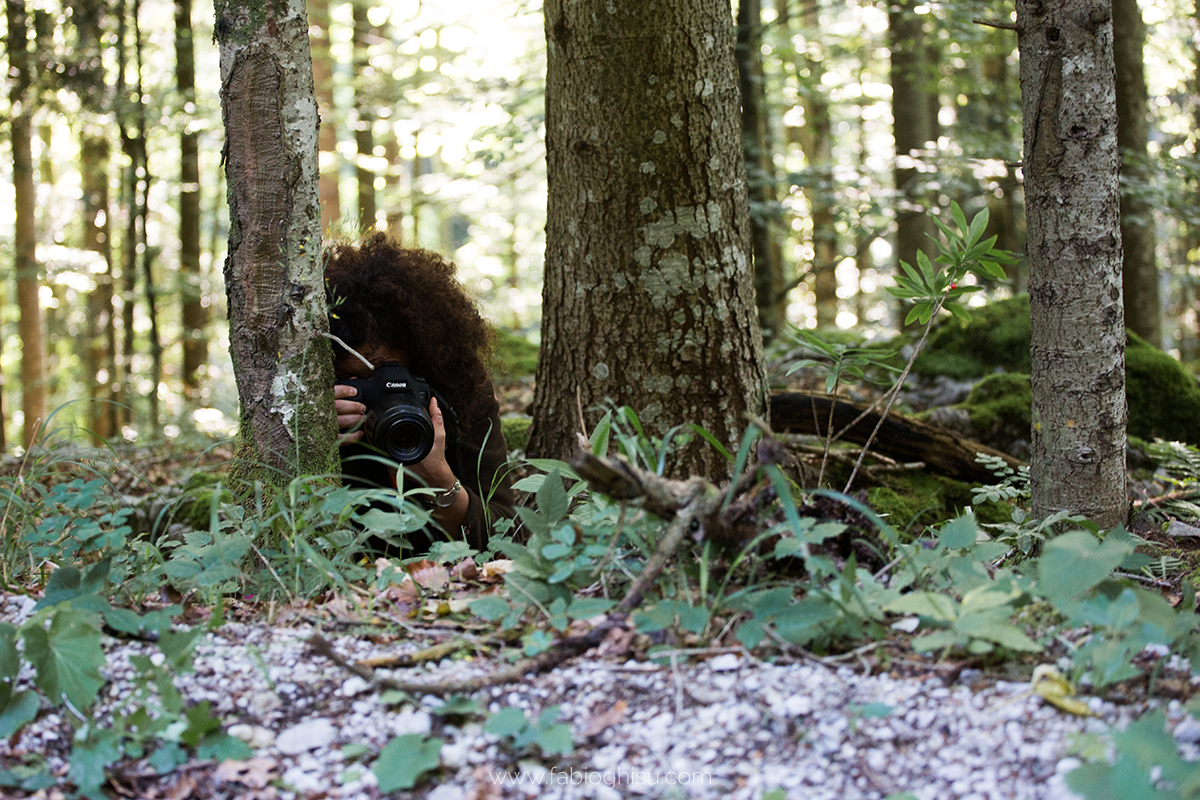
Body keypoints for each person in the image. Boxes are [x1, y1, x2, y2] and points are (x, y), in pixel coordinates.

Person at [325, 232, 515, 552]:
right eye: (362, 381)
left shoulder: (459, 389)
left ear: (425, 357)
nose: (387, 391)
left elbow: (508, 535)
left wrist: (441, 482)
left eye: (394, 373)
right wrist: (316, 438)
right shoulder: (324, 407)